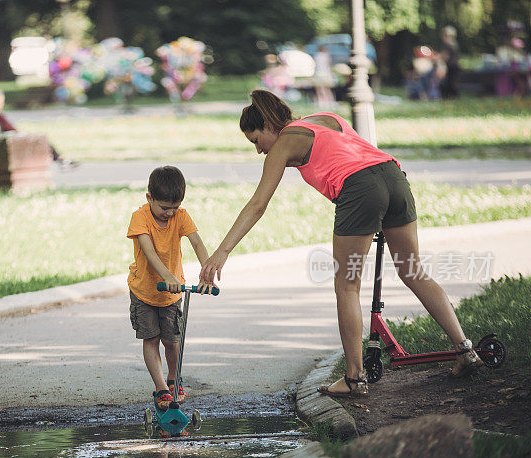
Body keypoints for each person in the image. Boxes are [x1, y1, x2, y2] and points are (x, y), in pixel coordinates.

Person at [198, 90, 484, 397]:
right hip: (394, 176)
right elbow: (354, 154)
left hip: (359, 188)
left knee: (347, 287)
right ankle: (465, 349)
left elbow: (258, 204)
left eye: (256, 141)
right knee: (413, 271)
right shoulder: (329, 119)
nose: (258, 151)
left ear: (268, 125)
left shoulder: (282, 144)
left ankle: (354, 378)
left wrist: (221, 252)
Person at [127, 166, 212, 417]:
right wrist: (168, 276)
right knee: (151, 339)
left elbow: (197, 242)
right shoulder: (140, 217)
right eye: (164, 208)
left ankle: (174, 378)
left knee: (172, 341)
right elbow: (149, 251)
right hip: (144, 290)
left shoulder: (180, 216)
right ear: (149, 198)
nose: (169, 213)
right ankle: (161, 388)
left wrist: (206, 273)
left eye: (174, 207)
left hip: (171, 294)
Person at [0, 87, 78, 169]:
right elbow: (10, 131)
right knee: (40, 139)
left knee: (37, 138)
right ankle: (60, 159)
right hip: (2, 149)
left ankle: (60, 159)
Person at [439, 26, 461, 98]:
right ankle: (452, 96)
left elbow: (445, 56)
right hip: (454, 65)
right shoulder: (454, 44)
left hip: (451, 66)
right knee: (452, 82)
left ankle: (451, 96)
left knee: (450, 82)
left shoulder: (449, 45)